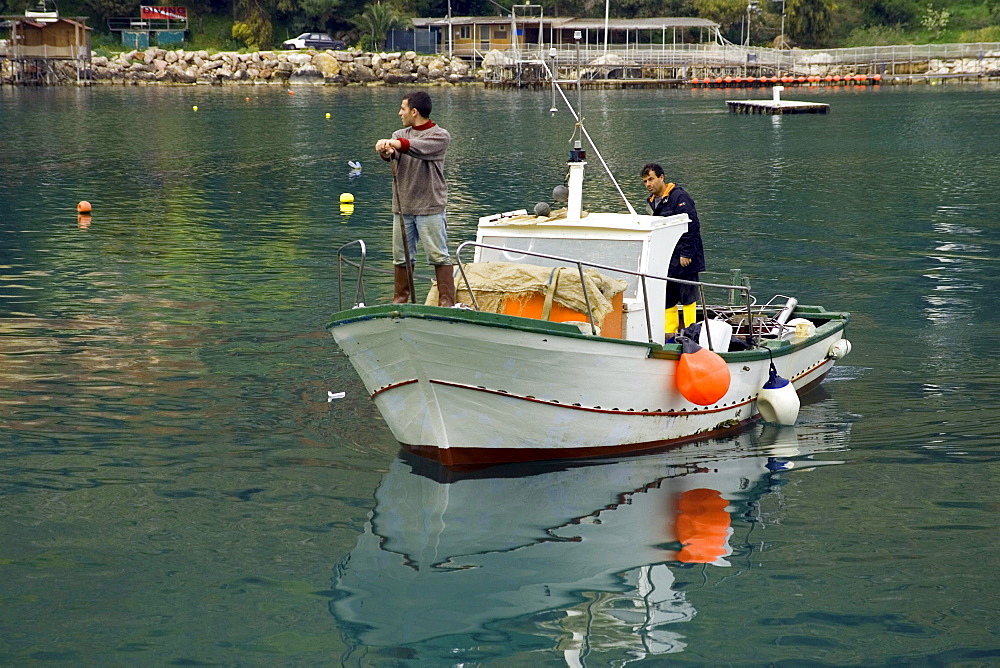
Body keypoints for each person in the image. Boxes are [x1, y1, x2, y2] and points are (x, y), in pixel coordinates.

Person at [375, 91, 455, 307]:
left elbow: (415, 148)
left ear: (414, 111)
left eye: (403, 108)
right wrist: (385, 151)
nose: (399, 113)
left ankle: (446, 301)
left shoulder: (440, 136)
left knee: (438, 256)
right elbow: (394, 153)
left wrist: (395, 143)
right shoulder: (399, 133)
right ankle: (400, 300)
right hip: (403, 206)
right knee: (401, 258)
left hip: (430, 206)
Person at [640, 163, 706, 336]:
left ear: (662, 177)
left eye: (651, 179)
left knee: (687, 296)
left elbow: (692, 225)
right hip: (667, 257)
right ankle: (670, 335)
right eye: (645, 181)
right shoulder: (653, 202)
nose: (648, 184)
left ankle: (692, 332)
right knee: (667, 297)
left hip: (685, 257)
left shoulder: (679, 197)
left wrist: (687, 253)